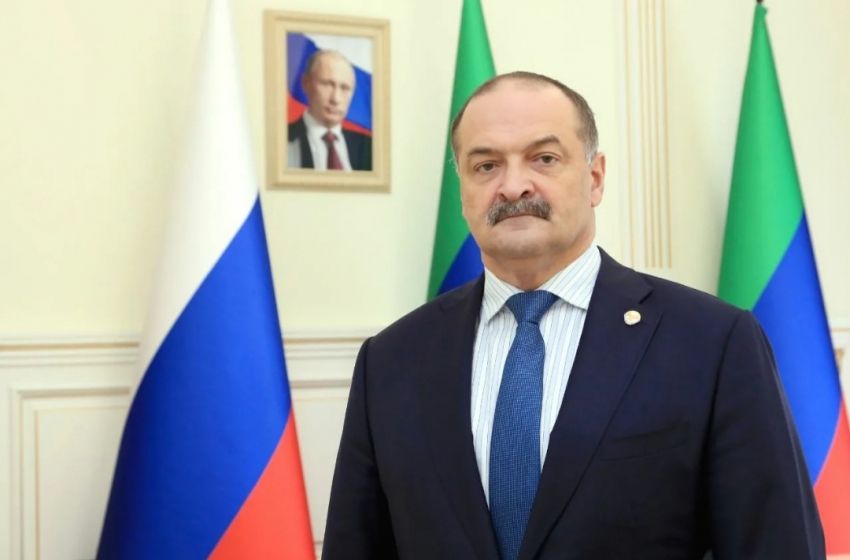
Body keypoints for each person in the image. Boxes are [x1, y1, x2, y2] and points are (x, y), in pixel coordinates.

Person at [323, 71, 824, 559]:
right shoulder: (390, 361)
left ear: (595, 178)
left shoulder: (713, 343)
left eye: (543, 158)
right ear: (463, 191)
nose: (513, 186)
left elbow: (774, 544)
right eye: (486, 166)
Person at [287, 49, 372, 171]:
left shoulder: (368, 148)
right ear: (306, 83)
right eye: (327, 84)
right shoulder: (282, 140)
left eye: (345, 88)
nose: (336, 99)